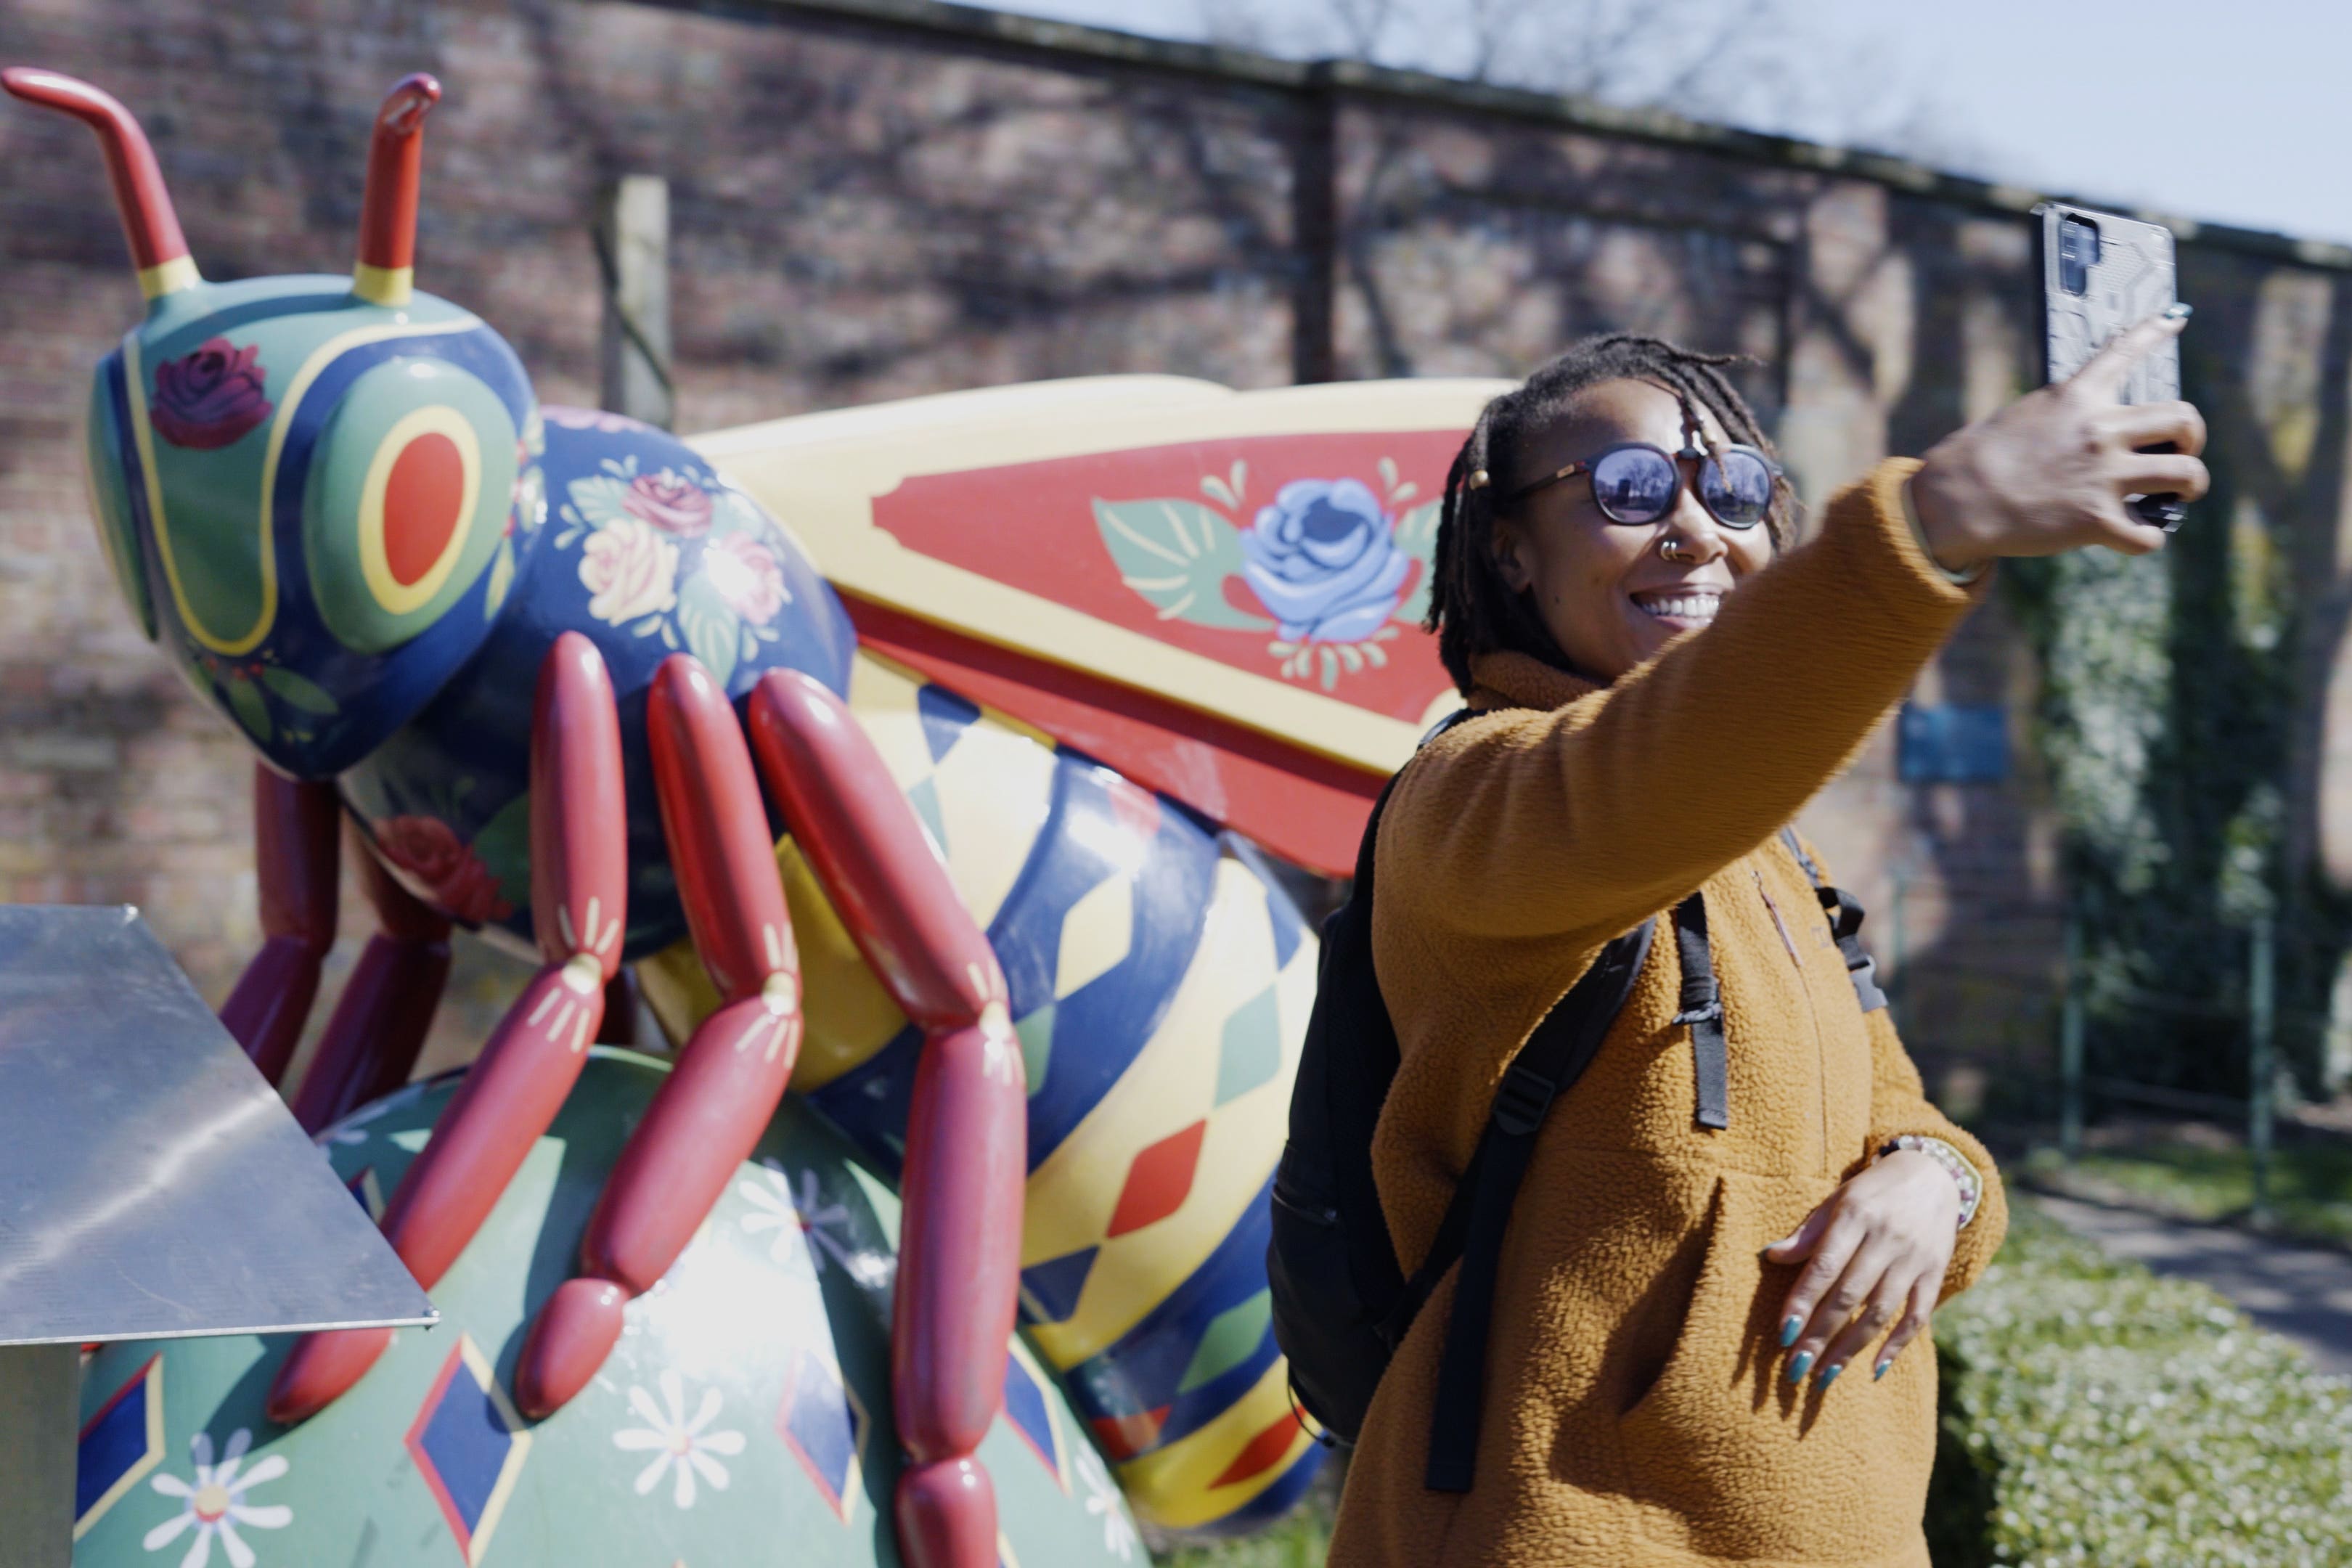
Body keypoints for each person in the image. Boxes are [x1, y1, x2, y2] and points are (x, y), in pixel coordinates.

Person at [1328, 312, 2206, 1567]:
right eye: (1630, 488)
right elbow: (1653, 772)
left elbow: (1913, 1116)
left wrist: (1934, 1184)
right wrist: (1939, 517)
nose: (1699, 527)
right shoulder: (1474, 800)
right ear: (1511, 551)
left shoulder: (1766, 854)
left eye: (1735, 486)